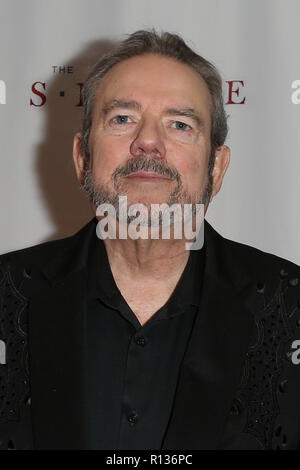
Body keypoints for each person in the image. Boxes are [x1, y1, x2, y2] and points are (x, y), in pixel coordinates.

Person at [0, 30, 300, 451]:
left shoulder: (292, 307)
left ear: (216, 168)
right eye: (122, 118)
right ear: (82, 157)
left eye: (179, 125)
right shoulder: (6, 294)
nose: (148, 142)